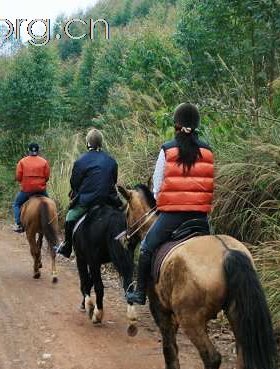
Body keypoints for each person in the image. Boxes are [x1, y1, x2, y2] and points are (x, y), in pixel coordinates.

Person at [126, 103, 214, 305]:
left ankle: (139, 294)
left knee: (147, 248)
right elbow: (209, 181)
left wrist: (160, 201)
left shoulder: (167, 149)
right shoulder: (208, 151)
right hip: (200, 217)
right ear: (196, 125)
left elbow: (157, 184)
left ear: (176, 124)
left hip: (173, 216)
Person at [56, 129, 120, 259]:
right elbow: (113, 180)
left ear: (87, 143)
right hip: (108, 200)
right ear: (101, 143)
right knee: (123, 216)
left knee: (69, 216)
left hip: (88, 201)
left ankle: (67, 246)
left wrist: (77, 192)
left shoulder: (80, 161)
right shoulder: (111, 160)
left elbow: (74, 184)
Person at [12, 143, 51, 233]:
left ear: (28, 150)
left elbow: (18, 177)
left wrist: (22, 181)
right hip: (41, 190)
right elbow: (47, 177)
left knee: (16, 204)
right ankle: (52, 222)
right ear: (38, 150)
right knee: (51, 204)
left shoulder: (22, 161)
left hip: (26, 190)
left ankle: (18, 224)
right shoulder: (44, 162)